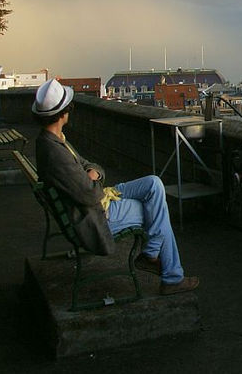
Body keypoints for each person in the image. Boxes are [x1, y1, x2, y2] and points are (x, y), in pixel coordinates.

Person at [32, 79, 199, 295]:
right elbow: (89, 193)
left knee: (154, 184)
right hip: (98, 214)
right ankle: (169, 275)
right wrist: (92, 176)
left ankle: (153, 256)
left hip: (101, 199)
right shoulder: (55, 152)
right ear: (64, 112)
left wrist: (94, 174)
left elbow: (91, 167)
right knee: (157, 209)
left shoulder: (54, 141)